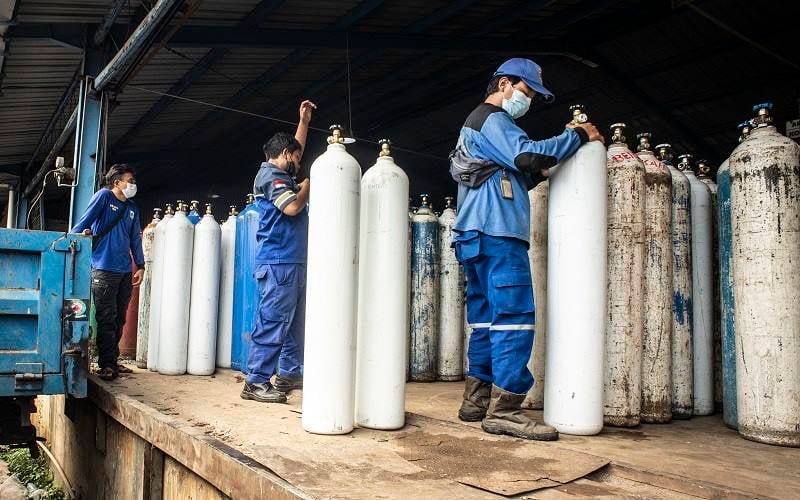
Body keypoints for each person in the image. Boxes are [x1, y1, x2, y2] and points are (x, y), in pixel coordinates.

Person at [452, 58, 603, 440]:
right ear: (504, 83)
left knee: (485, 318)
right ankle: (505, 410)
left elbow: (521, 172)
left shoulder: (478, 128)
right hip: (498, 232)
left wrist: (539, 171)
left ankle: (476, 401)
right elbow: (528, 156)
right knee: (515, 316)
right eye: (526, 91)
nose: (529, 100)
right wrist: (578, 136)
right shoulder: (492, 119)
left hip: (474, 234)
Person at [241, 100, 316, 403]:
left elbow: (294, 148)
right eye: (296, 157)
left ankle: (288, 374)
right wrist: (309, 184)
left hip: (292, 260)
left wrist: (305, 122)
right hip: (279, 261)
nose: (299, 162)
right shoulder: (271, 177)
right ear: (285, 156)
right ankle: (255, 381)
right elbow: (293, 206)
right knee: (273, 321)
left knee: (294, 323)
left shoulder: (282, 174)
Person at [71, 164, 145, 381]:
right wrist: (80, 236)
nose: (133, 185)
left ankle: (112, 359)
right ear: (117, 183)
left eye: (133, 181)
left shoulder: (132, 208)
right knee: (105, 318)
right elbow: (82, 224)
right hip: (103, 269)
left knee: (120, 318)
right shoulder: (104, 197)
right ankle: (106, 365)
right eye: (129, 181)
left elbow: (135, 239)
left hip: (124, 271)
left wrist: (140, 266)